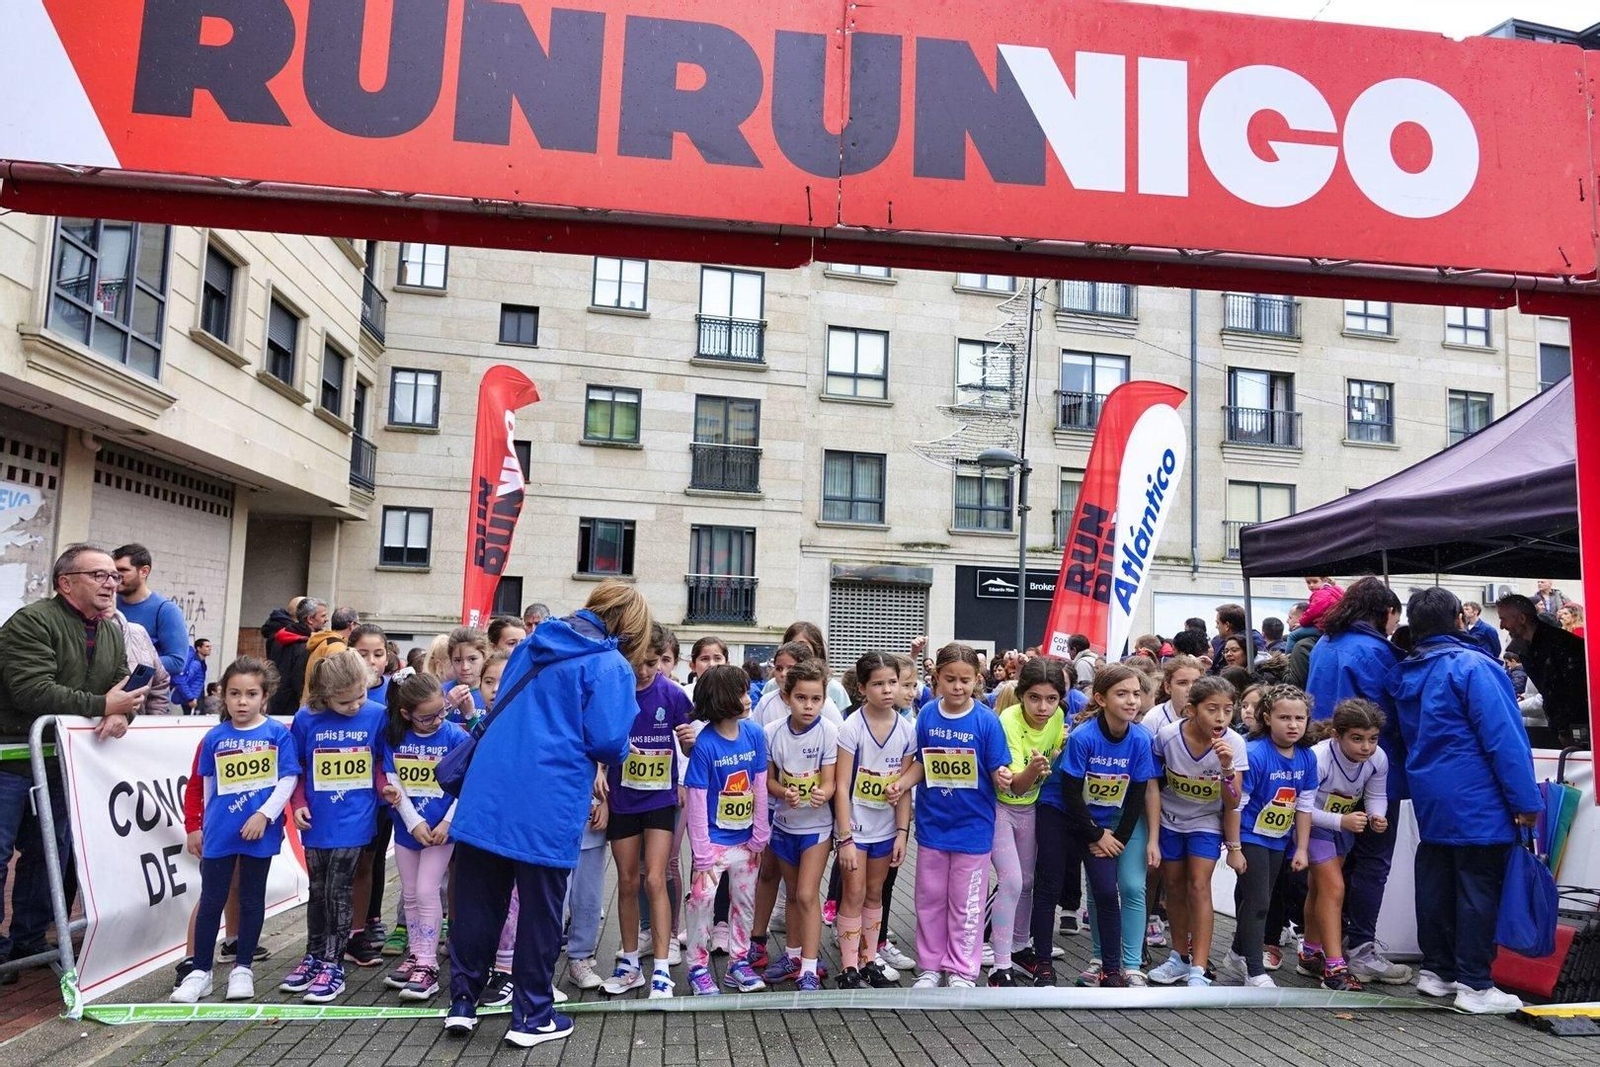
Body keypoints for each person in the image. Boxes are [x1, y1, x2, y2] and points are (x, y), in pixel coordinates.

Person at [446, 581, 649, 1048]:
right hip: (548, 796)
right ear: (630, 625)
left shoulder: (534, 642)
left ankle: (462, 1002)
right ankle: (532, 1015)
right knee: (540, 911)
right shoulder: (609, 664)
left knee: (477, 902)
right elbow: (608, 742)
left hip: (490, 785)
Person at [1386, 587, 1543, 1014]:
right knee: (1478, 887)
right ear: (1460, 619)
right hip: (1477, 793)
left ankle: (1438, 972)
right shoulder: (1473, 665)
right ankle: (1475, 984)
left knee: (1437, 880)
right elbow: (1504, 739)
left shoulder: (1406, 670)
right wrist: (1526, 799)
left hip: (1430, 791)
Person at [0, 544, 143, 974]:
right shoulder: (32, 623)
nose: (111, 583)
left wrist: (124, 715)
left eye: (114, 577)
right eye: (99, 575)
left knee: (50, 852)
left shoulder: (113, 630)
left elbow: (126, 688)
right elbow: (30, 691)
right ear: (66, 583)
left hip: (63, 765)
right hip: (10, 761)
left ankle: (29, 944)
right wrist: (104, 706)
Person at [171, 657, 300, 1004]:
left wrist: (264, 815)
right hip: (219, 834)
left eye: (250, 694)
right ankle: (200, 972)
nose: (242, 701)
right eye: (234, 694)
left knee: (251, 899)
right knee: (212, 899)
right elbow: (197, 786)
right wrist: (193, 827)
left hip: (260, 832)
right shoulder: (213, 737)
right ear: (223, 696)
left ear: (265, 696)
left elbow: (288, 779)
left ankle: (243, 969)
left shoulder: (277, 734)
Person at [1301, 576, 1410, 985]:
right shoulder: (1377, 651)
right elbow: (1394, 715)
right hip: (1374, 772)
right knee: (1372, 863)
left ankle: (1318, 947)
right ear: (1386, 613)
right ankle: (1360, 948)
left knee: (1326, 872)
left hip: (1324, 770)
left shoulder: (1325, 644)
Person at [888, 643, 1011, 989]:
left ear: (977, 680)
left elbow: (998, 771)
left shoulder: (986, 721)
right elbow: (921, 766)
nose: (957, 687)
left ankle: (962, 969)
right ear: (936, 678)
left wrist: (1002, 776)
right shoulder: (927, 714)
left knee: (965, 904)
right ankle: (929, 965)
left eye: (965, 680)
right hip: (932, 827)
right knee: (929, 900)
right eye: (950, 679)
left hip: (973, 829)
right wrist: (901, 784)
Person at [280, 650, 388, 1003]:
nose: (355, 705)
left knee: (338, 888)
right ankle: (313, 955)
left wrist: (385, 789)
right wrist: (296, 804)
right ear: (324, 695)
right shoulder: (306, 719)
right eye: (344, 702)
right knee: (318, 887)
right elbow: (294, 767)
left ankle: (333, 963)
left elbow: (381, 764)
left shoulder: (377, 715)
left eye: (361, 695)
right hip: (316, 818)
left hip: (356, 818)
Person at [601, 624, 693, 999]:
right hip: (622, 798)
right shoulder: (612, 692)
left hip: (659, 800)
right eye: (636, 663)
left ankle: (661, 969)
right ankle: (628, 965)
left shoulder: (671, 694)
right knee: (627, 881)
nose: (643, 671)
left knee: (656, 878)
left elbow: (691, 746)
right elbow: (598, 742)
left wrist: (689, 742)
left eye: (651, 663)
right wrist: (599, 773)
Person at [1057, 665, 1161, 988]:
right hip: (1093, 824)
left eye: (1136, 694)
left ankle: (1131, 965)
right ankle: (1100, 958)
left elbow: (1138, 795)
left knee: (1132, 886)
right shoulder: (1083, 737)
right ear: (1101, 699)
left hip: (1126, 825)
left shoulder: (1142, 738)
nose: (1132, 701)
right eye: (1122, 694)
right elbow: (1071, 793)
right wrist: (1097, 834)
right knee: (1100, 890)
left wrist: (1118, 838)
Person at [1147, 677, 1245, 988]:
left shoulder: (1235, 744)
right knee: (1173, 886)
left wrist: (1227, 767)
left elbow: (1233, 801)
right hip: (1170, 819)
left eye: (1228, 711)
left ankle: (1199, 969)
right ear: (1191, 710)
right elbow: (1153, 782)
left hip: (1206, 822)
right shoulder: (1167, 736)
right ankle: (1179, 957)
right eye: (1212, 709)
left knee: (1199, 886)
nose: (1220, 718)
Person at [380, 671, 469, 1002]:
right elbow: (394, 782)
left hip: (440, 832)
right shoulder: (395, 738)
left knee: (426, 890)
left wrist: (447, 823)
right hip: (408, 828)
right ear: (406, 714)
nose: (436, 721)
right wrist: (412, 821)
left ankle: (429, 965)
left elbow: (465, 786)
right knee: (410, 894)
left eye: (441, 713)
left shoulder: (455, 737)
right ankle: (417, 955)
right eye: (426, 717)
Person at [1218, 685, 1315, 988]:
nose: (1293, 724)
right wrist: (1234, 847)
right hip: (1250, 835)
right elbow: (1235, 805)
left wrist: (1301, 848)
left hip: (1278, 838)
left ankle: (1236, 953)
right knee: (1260, 901)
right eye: (1284, 717)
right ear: (1267, 717)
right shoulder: (1256, 753)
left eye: (1300, 718)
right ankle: (1254, 969)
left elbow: (1304, 806)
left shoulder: (1307, 757)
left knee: (1260, 898)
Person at [682, 664, 770, 996]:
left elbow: (760, 787)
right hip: (714, 843)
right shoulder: (704, 746)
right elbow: (696, 799)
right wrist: (701, 852)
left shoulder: (755, 735)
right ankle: (697, 967)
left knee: (745, 902)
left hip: (747, 843)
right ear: (722, 699)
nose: (749, 699)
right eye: (742, 692)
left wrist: (761, 833)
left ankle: (739, 962)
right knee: (701, 902)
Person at [833, 652, 914, 990]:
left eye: (892, 683)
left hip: (885, 829)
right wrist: (845, 837)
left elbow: (905, 785)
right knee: (852, 892)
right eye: (878, 684)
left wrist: (902, 833)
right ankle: (848, 965)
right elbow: (839, 784)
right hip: (856, 828)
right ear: (862, 688)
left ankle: (869, 960)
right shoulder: (851, 727)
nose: (886, 690)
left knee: (875, 893)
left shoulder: (907, 729)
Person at [1298, 698, 1389, 992]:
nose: (1366, 747)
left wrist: (1378, 816)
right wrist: (1342, 822)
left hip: (1341, 825)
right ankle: (1335, 969)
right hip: (1312, 826)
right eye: (1357, 739)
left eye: (1372, 739)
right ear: (1336, 735)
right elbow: (1303, 808)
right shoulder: (1319, 758)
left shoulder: (1377, 759)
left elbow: (1376, 794)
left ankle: (1311, 952)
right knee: (1335, 889)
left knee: (1320, 888)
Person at [986, 657, 1065, 986]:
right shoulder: (1009, 719)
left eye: (1051, 699)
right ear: (1021, 696)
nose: (1043, 707)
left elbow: (1056, 749)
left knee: (1029, 881)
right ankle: (998, 965)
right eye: (1034, 698)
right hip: (1000, 808)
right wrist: (1034, 770)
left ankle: (1019, 948)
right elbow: (1017, 784)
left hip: (1030, 808)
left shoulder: (1059, 717)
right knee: (1012, 882)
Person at [761, 660, 838, 992]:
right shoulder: (772, 732)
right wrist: (783, 793)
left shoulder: (829, 732)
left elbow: (833, 783)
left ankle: (810, 965)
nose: (808, 706)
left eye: (816, 699)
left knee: (807, 894)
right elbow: (769, 781)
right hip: (784, 824)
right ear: (786, 696)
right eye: (801, 698)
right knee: (793, 894)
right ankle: (792, 956)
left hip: (817, 828)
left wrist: (823, 793)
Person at [1497, 593, 1587, 746]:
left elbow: (1570, 691)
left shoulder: (1560, 645)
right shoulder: (1526, 646)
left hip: (1577, 729)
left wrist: (1564, 728)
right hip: (1557, 726)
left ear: (1522, 618)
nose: (1501, 626)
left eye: (1503, 618)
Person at [112, 542, 190, 676]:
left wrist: (131, 665)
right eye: (114, 571)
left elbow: (177, 662)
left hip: (145, 693)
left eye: (123, 570)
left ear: (144, 571)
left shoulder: (166, 610)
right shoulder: (108, 603)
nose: (116, 576)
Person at [263, 597, 325, 717]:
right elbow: (299, 683)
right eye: (323, 616)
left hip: (273, 701)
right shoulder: (305, 646)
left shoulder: (276, 638)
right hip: (292, 708)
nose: (326, 620)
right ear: (310, 619)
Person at [107, 605, 173, 716]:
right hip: (85, 729)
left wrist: (152, 722)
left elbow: (160, 682)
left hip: (136, 729)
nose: (108, 588)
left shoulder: (138, 633)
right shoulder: (74, 634)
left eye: (113, 589)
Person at [300, 607, 360, 705]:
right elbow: (338, 684)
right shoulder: (338, 648)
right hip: (321, 708)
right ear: (352, 625)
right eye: (358, 625)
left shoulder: (325, 641)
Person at [1209, 604, 1264, 674]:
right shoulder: (1218, 641)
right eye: (1226, 651)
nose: (1216, 627)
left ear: (1227, 625)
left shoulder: (1251, 640)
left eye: (1218, 623)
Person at [173, 638, 213, 712]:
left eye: (210, 647)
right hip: (192, 700)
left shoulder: (201, 662)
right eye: (207, 646)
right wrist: (190, 698)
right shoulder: (195, 664)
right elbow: (181, 680)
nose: (210, 649)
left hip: (195, 697)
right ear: (198, 648)